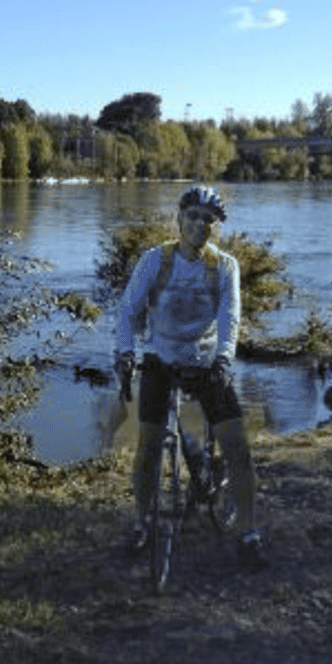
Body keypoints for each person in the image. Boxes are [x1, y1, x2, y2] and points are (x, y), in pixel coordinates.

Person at [114, 185, 268, 570]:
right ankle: (142, 523)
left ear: (217, 226)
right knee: (148, 447)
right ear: (179, 219)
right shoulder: (156, 260)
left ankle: (248, 531)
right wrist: (125, 352)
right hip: (161, 358)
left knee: (236, 445)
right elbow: (128, 310)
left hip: (207, 361)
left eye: (209, 219)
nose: (201, 224)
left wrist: (224, 359)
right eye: (193, 216)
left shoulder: (224, 266)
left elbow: (230, 317)